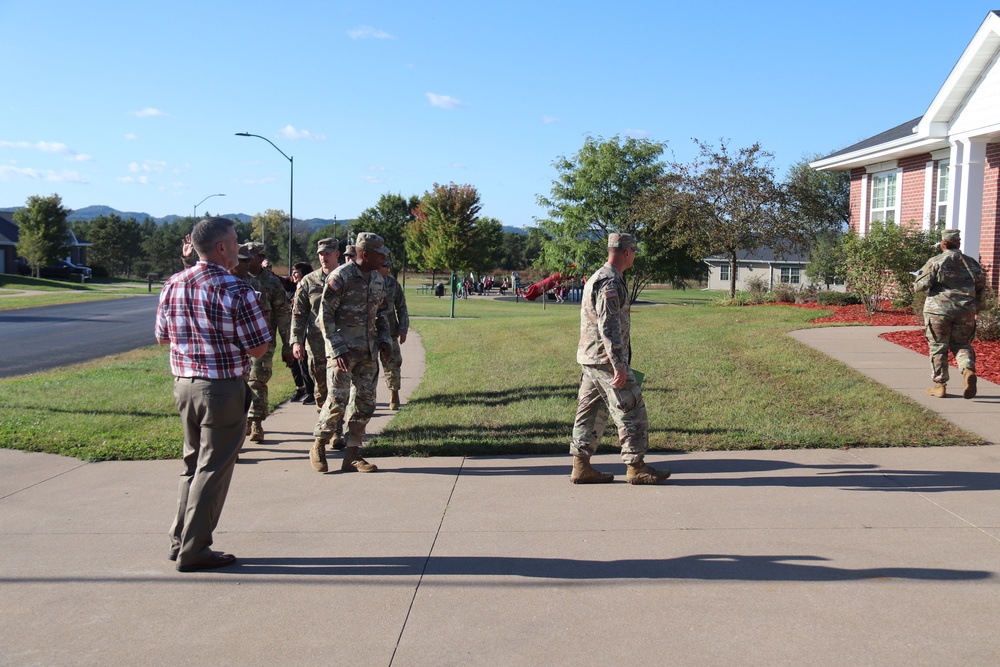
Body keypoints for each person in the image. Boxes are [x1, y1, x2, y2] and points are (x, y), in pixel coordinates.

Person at [155, 217, 271, 572]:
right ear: (221, 247)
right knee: (213, 468)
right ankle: (195, 549)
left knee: (192, 465)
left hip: (184, 384)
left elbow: (161, 337)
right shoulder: (237, 290)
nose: (238, 247)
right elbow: (259, 348)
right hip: (220, 387)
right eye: (235, 241)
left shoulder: (173, 283)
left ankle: (180, 541)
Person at [567, 233, 669, 485]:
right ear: (626, 252)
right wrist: (619, 365)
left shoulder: (601, 277)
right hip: (605, 359)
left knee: (590, 412)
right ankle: (636, 467)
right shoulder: (609, 281)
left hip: (591, 358)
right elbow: (609, 326)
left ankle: (581, 467)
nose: (634, 256)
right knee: (632, 410)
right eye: (633, 251)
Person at [309, 232, 392, 474]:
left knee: (364, 404)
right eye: (380, 254)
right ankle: (319, 445)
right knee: (337, 401)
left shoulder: (378, 280)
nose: (384, 258)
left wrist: (385, 340)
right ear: (365, 254)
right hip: (342, 354)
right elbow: (324, 317)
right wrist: (337, 350)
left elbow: (382, 314)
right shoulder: (341, 277)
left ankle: (353, 455)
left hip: (368, 352)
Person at [914, 228, 986, 399]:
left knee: (938, 345)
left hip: (938, 311)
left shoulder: (936, 261)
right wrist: (978, 308)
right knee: (962, 344)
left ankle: (940, 385)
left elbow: (920, 286)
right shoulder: (973, 264)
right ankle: (967, 370)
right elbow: (981, 288)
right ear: (958, 243)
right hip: (965, 311)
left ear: (943, 243)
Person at [292, 239, 347, 445]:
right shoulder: (309, 281)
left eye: (328, 253)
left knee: (339, 388)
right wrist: (296, 341)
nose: (323, 257)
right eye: (320, 254)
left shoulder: (346, 278)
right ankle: (325, 424)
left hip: (340, 344)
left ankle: (336, 432)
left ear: (337, 254)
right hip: (316, 345)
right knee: (321, 389)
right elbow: (298, 313)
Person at [244, 243, 293, 442]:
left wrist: (288, 345)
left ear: (260, 257)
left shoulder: (272, 283)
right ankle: (242, 421)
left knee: (257, 380)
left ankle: (256, 421)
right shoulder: (237, 278)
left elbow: (283, 315)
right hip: (239, 341)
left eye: (250, 256)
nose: (246, 260)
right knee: (239, 383)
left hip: (264, 340)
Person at [376, 252, 409, 410]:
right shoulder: (364, 281)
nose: (388, 268)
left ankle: (393, 394)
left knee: (393, 363)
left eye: (389, 265)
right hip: (366, 331)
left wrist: (403, 328)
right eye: (385, 265)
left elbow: (401, 307)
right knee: (366, 367)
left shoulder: (392, 284)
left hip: (389, 330)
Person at [288, 262, 315, 403]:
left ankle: (311, 390)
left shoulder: (309, 285)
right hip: (296, 328)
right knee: (296, 361)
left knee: (306, 361)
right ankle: (302, 388)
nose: (293, 274)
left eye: (296, 272)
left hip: (308, 328)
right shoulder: (294, 287)